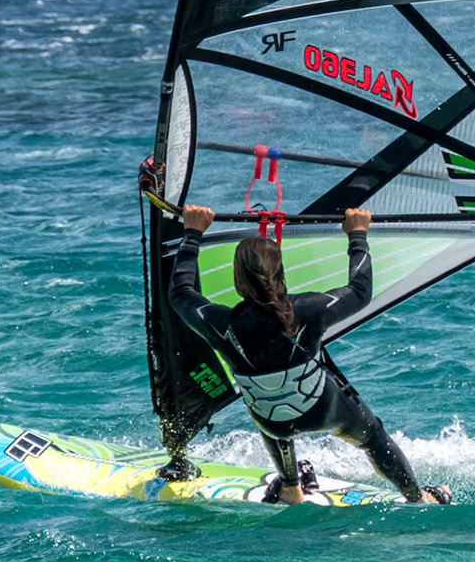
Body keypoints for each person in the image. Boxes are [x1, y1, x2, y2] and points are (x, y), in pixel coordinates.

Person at [170, 203, 452, 505]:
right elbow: (359, 291)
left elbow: (180, 293)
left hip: (271, 422)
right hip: (324, 409)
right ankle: (417, 496)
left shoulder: (221, 324)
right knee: (372, 438)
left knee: (265, 398)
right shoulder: (308, 310)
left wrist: (192, 234)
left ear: (238, 280)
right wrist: (357, 234)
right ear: (280, 273)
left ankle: (291, 485)